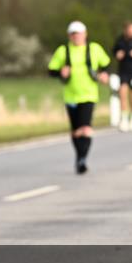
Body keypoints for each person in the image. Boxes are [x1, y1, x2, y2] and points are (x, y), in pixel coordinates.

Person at [47, 21, 111, 174]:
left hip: (89, 94)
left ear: (85, 34)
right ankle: (79, 157)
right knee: (76, 131)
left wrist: (104, 75)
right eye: (73, 34)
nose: (76, 37)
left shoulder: (94, 49)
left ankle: (82, 159)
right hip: (70, 95)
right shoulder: (63, 51)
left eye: (79, 34)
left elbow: (107, 65)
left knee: (86, 128)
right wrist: (61, 73)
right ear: (69, 36)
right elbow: (51, 70)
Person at [111, 21, 132, 132]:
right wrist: (118, 55)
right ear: (125, 30)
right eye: (130, 29)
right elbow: (114, 51)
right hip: (123, 72)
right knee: (122, 94)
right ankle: (124, 119)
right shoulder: (120, 41)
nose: (131, 31)